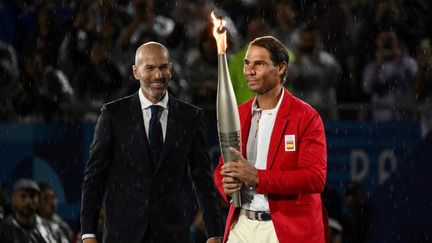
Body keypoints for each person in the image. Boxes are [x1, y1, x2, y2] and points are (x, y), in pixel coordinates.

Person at [80, 41, 223, 243]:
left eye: (163, 67)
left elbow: (203, 180)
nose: (158, 75)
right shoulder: (114, 115)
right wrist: (88, 233)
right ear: (136, 72)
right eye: (150, 68)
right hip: (123, 234)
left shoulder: (190, 117)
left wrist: (215, 232)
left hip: (172, 234)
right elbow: (94, 178)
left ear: (171, 70)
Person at [214, 36, 328, 243]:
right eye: (247, 64)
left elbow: (314, 178)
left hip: (285, 229)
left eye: (259, 64)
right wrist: (227, 186)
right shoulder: (238, 113)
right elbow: (223, 166)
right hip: (241, 226)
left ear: (281, 68)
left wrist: (258, 177)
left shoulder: (306, 117)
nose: (249, 71)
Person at [1, 178, 63, 243]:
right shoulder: (3, 230)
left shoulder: (53, 230)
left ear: (38, 200)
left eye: (32, 196)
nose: (28, 201)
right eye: (23, 196)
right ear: (13, 199)